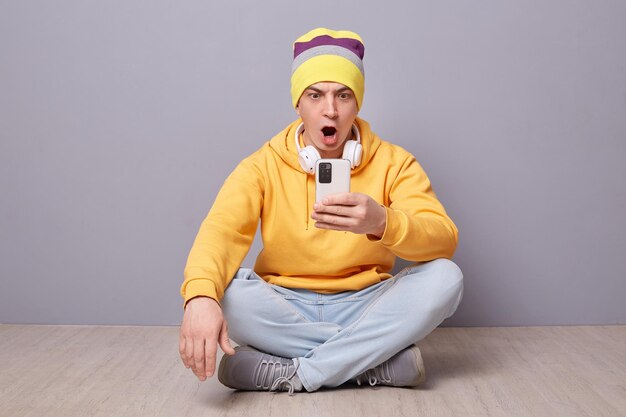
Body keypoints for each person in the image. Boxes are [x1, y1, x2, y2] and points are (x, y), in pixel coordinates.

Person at [179, 27, 463, 394]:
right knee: (225, 293)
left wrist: (382, 222)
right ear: (298, 104)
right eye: (315, 95)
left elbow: (443, 238)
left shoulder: (396, 163)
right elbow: (221, 232)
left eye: (343, 95)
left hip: (365, 303)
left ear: (357, 103)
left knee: (447, 278)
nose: (330, 109)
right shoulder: (260, 166)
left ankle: (297, 373)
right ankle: (368, 362)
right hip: (284, 304)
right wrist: (200, 297)